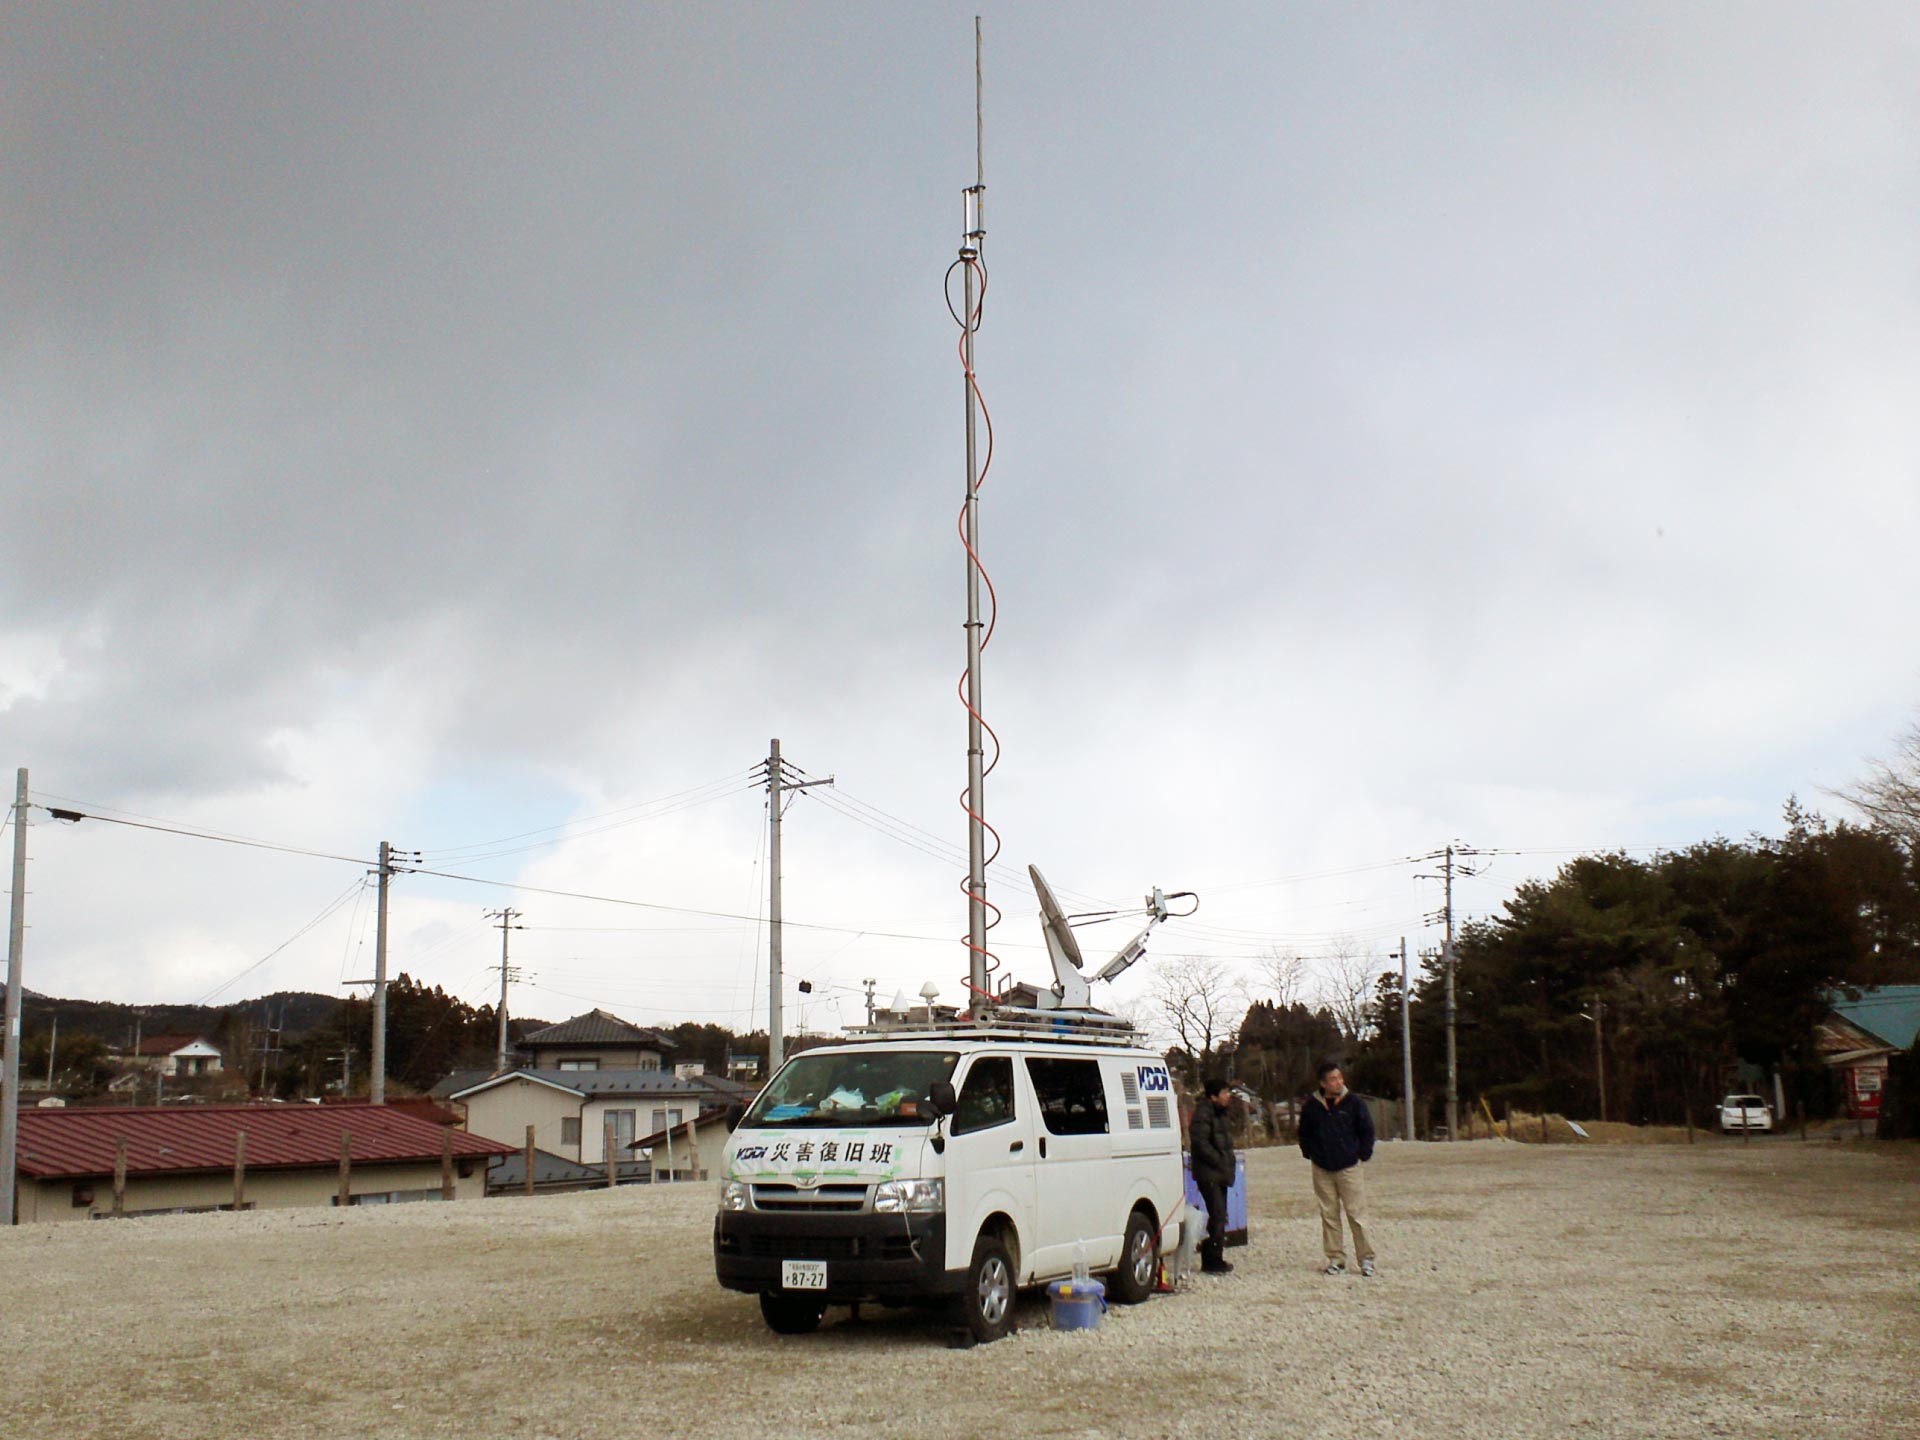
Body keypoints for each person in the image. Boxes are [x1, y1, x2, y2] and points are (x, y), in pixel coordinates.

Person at [1297, 1060, 1376, 1276]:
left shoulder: (1354, 1103)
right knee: (1329, 1215)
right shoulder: (1312, 1106)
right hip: (1322, 1167)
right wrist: (1310, 1153)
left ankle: (1366, 1259)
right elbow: (1304, 1132)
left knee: (1357, 1214)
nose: (1338, 1082)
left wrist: (1363, 1153)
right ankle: (1336, 1259)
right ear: (1322, 1083)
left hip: (1349, 1166)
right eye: (1333, 1079)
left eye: (1340, 1078)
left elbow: (1367, 1130)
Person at [1188, 1077, 1238, 1274]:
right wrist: (1219, 1159)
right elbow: (1200, 1143)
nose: (1228, 1096)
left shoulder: (1221, 1114)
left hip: (1220, 1172)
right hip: (1209, 1173)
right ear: (1213, 1096)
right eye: (1224, 1093)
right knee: (1217, 1214)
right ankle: (1211, 1259)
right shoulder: (1203, 1113)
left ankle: (1215, 1256)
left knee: (1220, 1214)